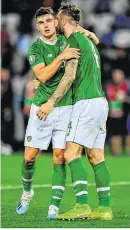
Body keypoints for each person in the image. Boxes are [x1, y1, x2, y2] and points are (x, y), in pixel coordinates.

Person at [16, 7, 99, 219]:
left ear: (55, 22)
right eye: (40, 23)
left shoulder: (67, 38)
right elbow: (42, 76)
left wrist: (89, 34)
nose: (45, 25)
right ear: (37, 26)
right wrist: (62, 56)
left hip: (66, 108)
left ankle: (54, 205)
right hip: (42, 107)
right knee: (29, 157)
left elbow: (94, 40)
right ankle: (27, 191)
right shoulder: (35, 49)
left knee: (59, 156)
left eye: (48, 21)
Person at [37, 3, 113, 221]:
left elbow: (70, 76)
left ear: (62, 20)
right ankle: (105, 209)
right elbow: (95, 40)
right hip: (100, 102)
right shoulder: (87, 40)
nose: (53, 23)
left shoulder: (72, 42)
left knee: (70, 153)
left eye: (56, 19)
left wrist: (51, 101)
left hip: (86, 102)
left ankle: (81, 205)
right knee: (96, 156)